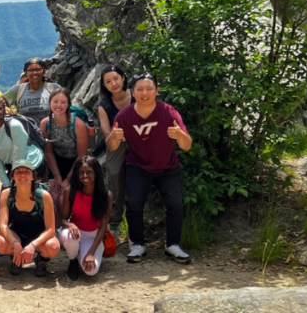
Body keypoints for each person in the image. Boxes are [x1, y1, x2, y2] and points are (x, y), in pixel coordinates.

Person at [107, 72, 193, 264]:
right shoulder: (125, 115)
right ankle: (138, 244)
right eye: (139, 89)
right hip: (138, 165)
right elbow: (112, 146)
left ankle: (172, 245)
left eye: (149, 88)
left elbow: (186, 145)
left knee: (176, 203)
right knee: (134, 203)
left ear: (157, 91)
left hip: (168, 166)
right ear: (133, 92)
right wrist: (113, 137)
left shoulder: (168, 112)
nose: (144, 93)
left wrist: (180, 135)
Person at [0, 160, 60, 277]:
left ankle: (41, 259)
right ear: (13, 176)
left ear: (33, 176)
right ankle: (17, 257)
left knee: (53, 247)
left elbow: (51, 229)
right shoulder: (6, 194)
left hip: (38, 238)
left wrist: (33, 245)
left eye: (26, 171)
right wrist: (15, 243)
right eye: (18, 172)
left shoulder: (44, 196)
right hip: (17, 235)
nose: (22, 175)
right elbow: (3, 226)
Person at [57, 155, 111, 280]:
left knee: (90, 271)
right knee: (68, 236)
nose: (85, 176)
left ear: (96, 173)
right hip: (76, 234)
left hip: (93, 237)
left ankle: (92, 252)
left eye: (88, 172)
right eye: (81, 172)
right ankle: (73, 262)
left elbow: (103, 227)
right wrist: (71, 225)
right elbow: (63, 219)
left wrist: (91, 253)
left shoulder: (106, 195)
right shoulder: (70, 191)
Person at [97, 65, 135, 239]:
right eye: (108, 81)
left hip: (141, 143)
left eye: (116, 78)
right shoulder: (104, 105)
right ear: (103, 85)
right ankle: (115, 224)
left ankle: (136, 224)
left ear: (123, 77)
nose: (113, 83)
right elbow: (107, 134)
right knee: (115, 184)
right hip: (116, 146)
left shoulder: (136, 95)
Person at [0, 97, 45, 188]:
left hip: (31, 163)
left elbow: (19, 156)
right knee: (7, 195)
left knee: (24, 196)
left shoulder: (14, 126)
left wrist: (12, 182)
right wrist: (6, 183)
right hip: (13, 164)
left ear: (4, 110)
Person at [41, 89, 89, 203]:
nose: (59, 105)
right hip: (56, 163)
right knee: (54, 196)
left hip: (76, 163)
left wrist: (68, 179)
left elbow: (82, 155)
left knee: (65, 197)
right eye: (55, 101)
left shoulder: (77, 124)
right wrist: (57, 177)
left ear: (68, 104)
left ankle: (66, 220)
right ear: (50, 103)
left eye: (63, 102)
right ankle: (56, 221)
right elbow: (48, 152)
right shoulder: (45, 123)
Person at [3, 58, 62, 124]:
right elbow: (1, 101)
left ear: (44, 71)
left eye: (38, 69)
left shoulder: (54, 88)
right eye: (30, 70)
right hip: (25, 133)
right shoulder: (18, 89)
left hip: (50, 132)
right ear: (26, 73)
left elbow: (65, 108)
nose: (34, 73)